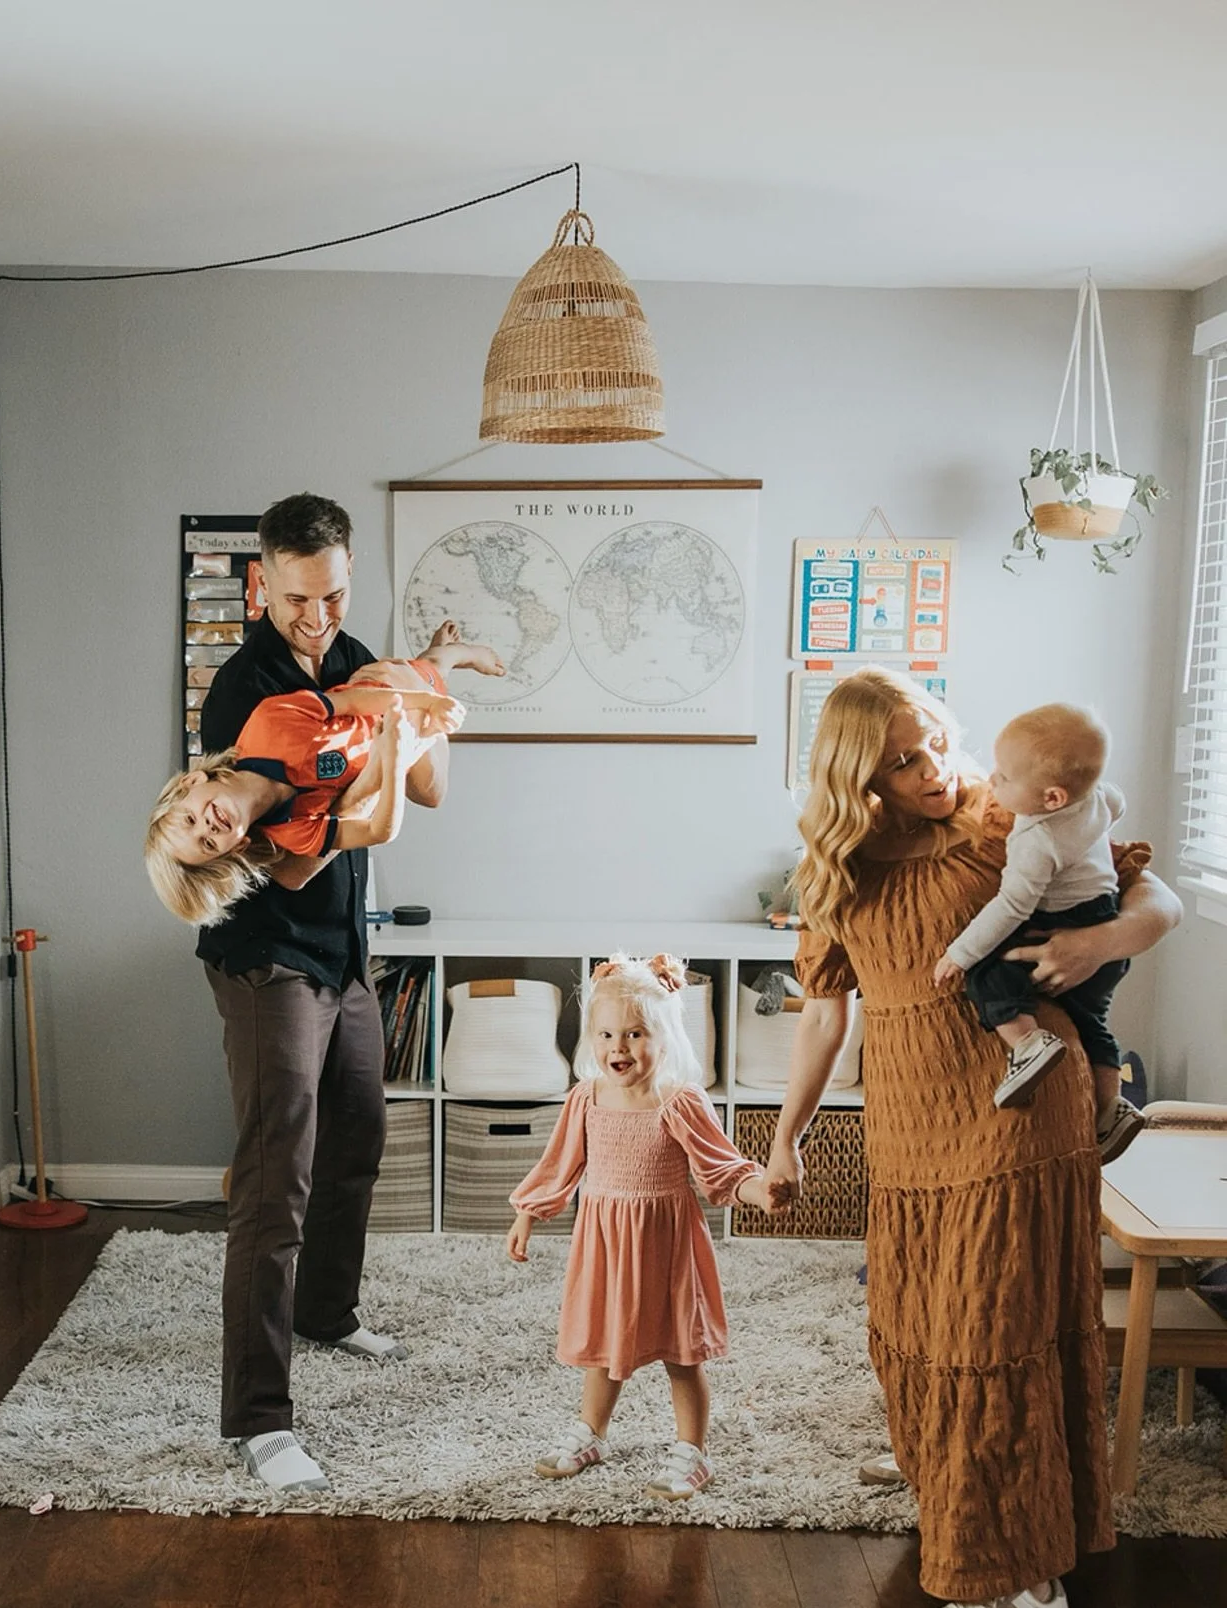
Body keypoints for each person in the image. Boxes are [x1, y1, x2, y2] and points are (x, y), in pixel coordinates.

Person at [764, 670, 1179, 1608]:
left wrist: (1108, 938)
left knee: (992, 1329)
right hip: (910, 1118)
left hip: (1020, 1104)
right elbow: (826, 1016)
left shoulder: (1005, 817)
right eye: (903, 762)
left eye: (937, 743)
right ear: (857, 776)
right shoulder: (835, 867)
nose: (935, 771)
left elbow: (1148, 889)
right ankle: (950, 1471)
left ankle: (1019, 1583)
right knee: (915, 1313)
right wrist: (786, 1136)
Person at [196, 491, 466, 1495]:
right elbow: (294, 858)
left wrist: (422, 698)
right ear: (264, 582)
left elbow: (429, 788)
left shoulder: (355, 662)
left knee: (360, 1134)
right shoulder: (242, 696)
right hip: (267, 955)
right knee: (277, 1179)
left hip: (345, 952)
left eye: (337, 595)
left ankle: (326, 1314)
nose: (319, 617)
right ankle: (257, 1418)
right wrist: (384, 745)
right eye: (301, 598)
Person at [507, 953, 776, 1500]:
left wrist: (761, 1190)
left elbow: (720, 1168)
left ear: (666, 1037)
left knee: (682, 1352)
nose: (618, 1048)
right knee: (606, 1345)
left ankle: (692, 1451)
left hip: (668, 1246)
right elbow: (560, 1163)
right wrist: (528, 1214)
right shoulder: (586, 1098)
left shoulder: (679, 1102)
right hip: (605, 1245)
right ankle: (591, 1432)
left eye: (634, 1034)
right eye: (606, 1034)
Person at [931, 703, 1142, 1160]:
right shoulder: (1098, 798)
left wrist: (960, 954)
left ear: (1052, 799)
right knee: (1093, 1024)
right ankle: (1112, 1110)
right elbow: (1117, 803)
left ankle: (1027, 1043)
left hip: (1063, 922)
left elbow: (1011, 907)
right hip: (1106, 920)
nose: (992, 780)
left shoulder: (1036, 840)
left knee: (990, 971)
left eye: (1005, 777)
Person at [145, 655, 470, 925]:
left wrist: (423, 699)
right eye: (208, 843)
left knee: (435, 667)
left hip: (386, 689)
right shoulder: (293, 832)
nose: (208, 826)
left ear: (191, 782)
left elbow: (350, 701)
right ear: (235, 848)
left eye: (190, 819)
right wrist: (394, 761)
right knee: (433, 791)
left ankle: (458, 652)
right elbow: (378, 831)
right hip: (399, 738)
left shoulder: (267, 723)